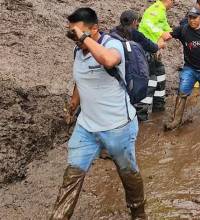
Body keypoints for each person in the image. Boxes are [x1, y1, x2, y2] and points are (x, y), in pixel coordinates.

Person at [51, 8, 146, 220]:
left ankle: (138, 212)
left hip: (118, 126)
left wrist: (84, 38)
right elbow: (81, 79)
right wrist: (73, 104)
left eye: (78, 32)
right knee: (72, 175)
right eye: (71, 31)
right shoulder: (78, 50)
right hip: (86, 127)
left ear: (94, 29)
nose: (74, 37)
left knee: (128, 172)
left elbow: (109, 61)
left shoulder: (111, 44)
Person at [162, 7, 200, 130]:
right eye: (190, 18)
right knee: (182, 92)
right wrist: (159, 44)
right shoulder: (183, 29)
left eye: (194, 18)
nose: (192, 20)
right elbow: (167, 35)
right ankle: (176, 121)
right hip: (190, 68)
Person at [114, 10, 164, 121]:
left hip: (119, 68)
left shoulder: (114, 32)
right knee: (150, 81)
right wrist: (160, 44)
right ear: (135, 22)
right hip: (136, 69)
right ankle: (142, 116)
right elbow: (152, 47)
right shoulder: (136, 34)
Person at [138, 0, 174, 112]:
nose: (173, 4)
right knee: (151, 79)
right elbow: (146, 24)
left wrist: (170, 32)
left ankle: (159, 107)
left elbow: (165, 26)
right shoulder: (156, 9)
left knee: (160, 74)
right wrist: (161, 34)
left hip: (155, 50)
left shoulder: (162, 11)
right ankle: (141, 112)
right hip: (146, 49)